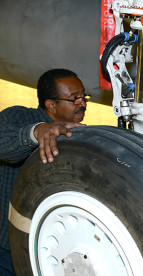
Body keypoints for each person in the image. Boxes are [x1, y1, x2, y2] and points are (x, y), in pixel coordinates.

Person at [0, 68, 89, 275]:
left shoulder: (77, 133)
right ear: (51, 105)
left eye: (83, 96)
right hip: (7, 252)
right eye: (74, 99)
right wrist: (37, 131)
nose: (82, 103)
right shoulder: (20, 116)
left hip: (49, 252)